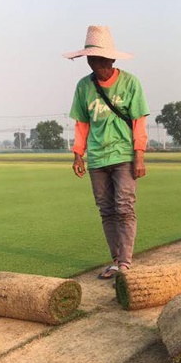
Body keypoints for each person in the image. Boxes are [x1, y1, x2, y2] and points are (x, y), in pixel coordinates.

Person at [64, 26, 150, 279]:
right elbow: (82, 123)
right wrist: (78, 154)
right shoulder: (84, 87)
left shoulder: (130, 83)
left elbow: (139, 122)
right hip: (97, 158)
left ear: (112, 59)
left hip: (123, 156)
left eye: (101, 61)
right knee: (107, 210)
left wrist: (140, 155)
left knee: (124, 208)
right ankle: (116, 260)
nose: (97, 66)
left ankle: (125, 262)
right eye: (92, 60)